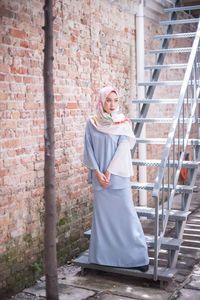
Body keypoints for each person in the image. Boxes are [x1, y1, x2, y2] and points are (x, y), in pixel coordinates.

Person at [83, 86, 149, 271]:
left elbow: (123, 149)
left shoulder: (123, 123)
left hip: (117, 178)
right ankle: (101, 259)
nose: (112, 104)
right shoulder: (92, 123)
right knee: (103, 221)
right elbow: (88, 149)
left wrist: (109, 173)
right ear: (101, 102)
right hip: (99, 180)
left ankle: (138, 259)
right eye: (108, 100)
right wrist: (97, 173)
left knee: (127, 217)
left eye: (115, 100)